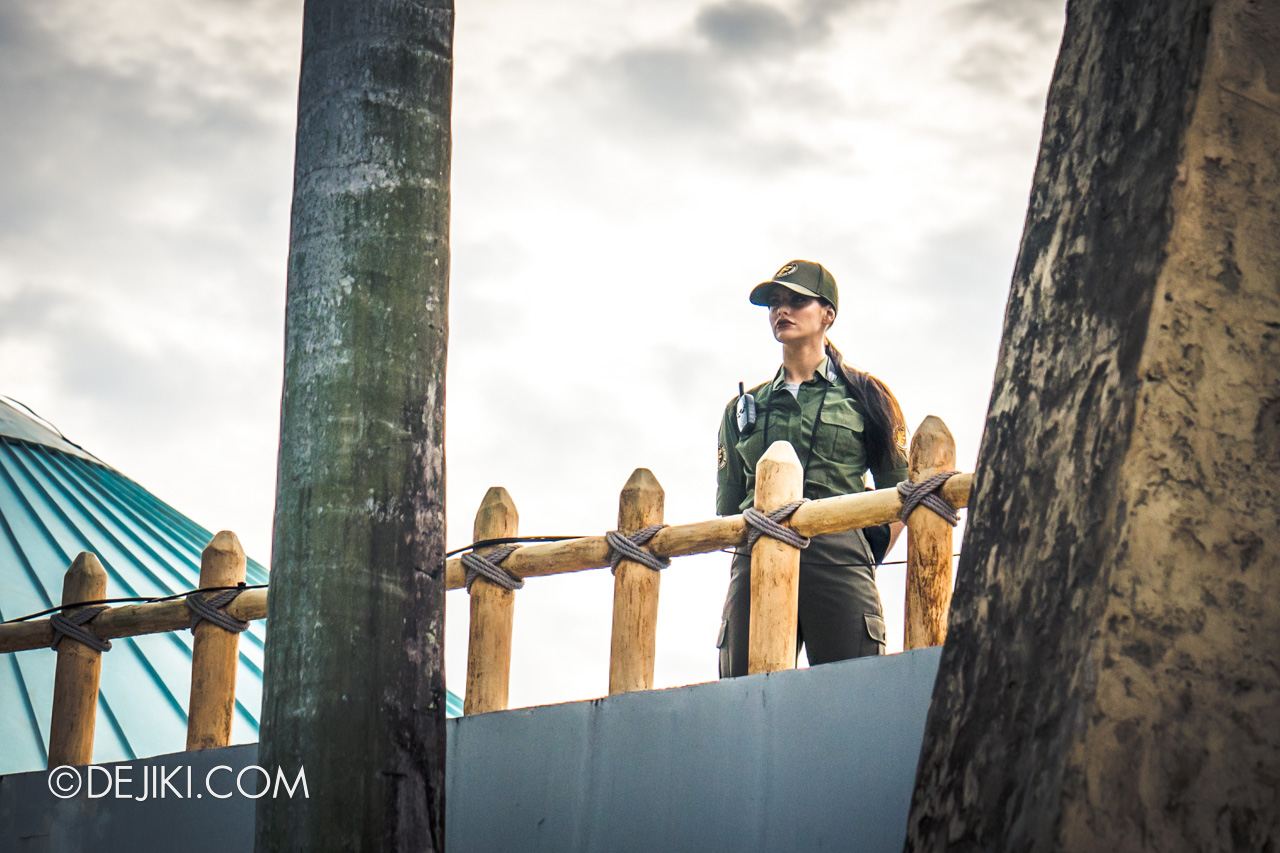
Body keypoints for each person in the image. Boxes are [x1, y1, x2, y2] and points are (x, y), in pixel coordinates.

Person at [716, 259, 909, 677]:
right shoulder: (742, 409)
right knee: (743, 697)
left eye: (796, 301)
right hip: (757, 552)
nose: (781, 311)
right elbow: (729, 507)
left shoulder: (868, 396)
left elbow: (901, 491)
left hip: (839, 552)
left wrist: (862, 551)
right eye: (774, 303)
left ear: (828, 315)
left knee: (852, 693)